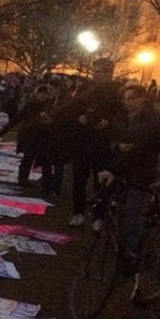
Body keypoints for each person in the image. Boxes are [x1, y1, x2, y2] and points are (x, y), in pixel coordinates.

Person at [49, 58, 124, 227]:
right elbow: (69, 112)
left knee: (102, 182)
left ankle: (99, 216)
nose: (100, 75)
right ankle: (78, 213)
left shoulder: (118, 92)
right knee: (79, 180)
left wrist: (108, 123)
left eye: (105, 71)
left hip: (103, 143)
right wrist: (79, 118)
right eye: (97, 71)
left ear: (111, 72)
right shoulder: (84, 89)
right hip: (83, 141)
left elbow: (123, 117)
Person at [96, 86, 160, 264]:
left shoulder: (151, 119)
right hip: (120, 167)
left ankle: (131, 250)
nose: (127, 103)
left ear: (141, 99)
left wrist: (114, 167)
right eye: (125, 99)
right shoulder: (121, 116)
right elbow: (111, 139)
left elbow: (142, 147)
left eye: (130, 99)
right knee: (118, 207)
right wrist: (117, 146)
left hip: (141, 172)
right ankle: (117, 244)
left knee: (133, 211)